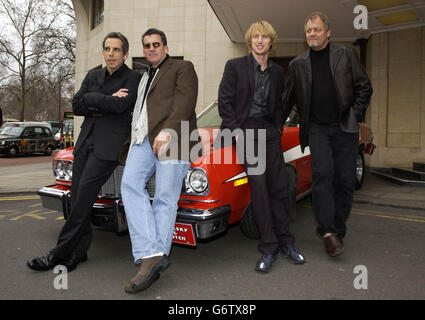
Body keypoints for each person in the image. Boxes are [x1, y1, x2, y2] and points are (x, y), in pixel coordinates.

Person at [27, 32, 141, 272]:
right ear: (103, 52)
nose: (111, 53)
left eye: (116, 50)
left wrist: (94, 100)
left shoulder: (133, 78)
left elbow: (121, 106)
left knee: (82, 201)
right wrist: (104, 99)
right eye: (107, 49)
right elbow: (78, 105)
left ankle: (57, 254)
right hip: (84, 143)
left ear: (125, 54)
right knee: (77, 197)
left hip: (108, 147)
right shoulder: (93, 75)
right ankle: (79, 251)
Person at [216, 21, 305, 273]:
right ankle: (268, 248)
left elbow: (279, 105)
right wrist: (237, 133)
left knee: (280, 189)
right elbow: (225, 102)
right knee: (260, 190)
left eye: (264, 37)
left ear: (271, 42)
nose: (259, 40)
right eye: (255, 36)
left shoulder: (278, 72)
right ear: (249, 41)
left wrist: (277, 128)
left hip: (269, 133)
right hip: (245, 133)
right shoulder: (234, 67)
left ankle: (287, 243)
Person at [282, 12, 373, 257]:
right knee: (322, 175)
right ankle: (326, 232)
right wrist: (273, 126)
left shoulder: (346, 55)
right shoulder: (297, 65)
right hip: (317, 129)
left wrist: (354, 114)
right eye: (309, 30)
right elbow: (286, 100)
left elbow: (364, 87)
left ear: (328, 33)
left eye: (317, 29)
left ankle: (337, 229)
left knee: (345, 181)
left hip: (345, 128)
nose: (313, 33)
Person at [121, 28, 198, 293]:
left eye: (156, 44)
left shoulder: (182, 67)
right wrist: (133, 141)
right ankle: (151, 252)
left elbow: (185, 101)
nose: (151, 48)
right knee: (129, 185)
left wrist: (169, 130)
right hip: (143, 140)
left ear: (165, 47)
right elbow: (141, 111)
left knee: (165, 198)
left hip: (174, 137)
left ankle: (150, 261)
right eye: (147, 45)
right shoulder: (144, 76)